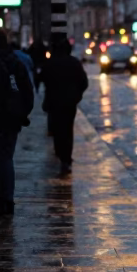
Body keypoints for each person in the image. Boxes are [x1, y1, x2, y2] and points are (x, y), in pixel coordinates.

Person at [0, 29, 35, 216]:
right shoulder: (16, 61)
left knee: (0, 159)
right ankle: (7, 199)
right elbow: (28, 91)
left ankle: (3, 200)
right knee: (7, 157)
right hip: (13, 118)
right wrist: (22, 113)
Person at [39, 36, 88, 175]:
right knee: (68, 130)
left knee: (58, 131)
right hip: (69, 103)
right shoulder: (74, 63)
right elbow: (84, 82)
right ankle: (66, 158)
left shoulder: (50, 64)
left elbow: (41, 78)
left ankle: (62, 155)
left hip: (54, 102)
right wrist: (77, 96)